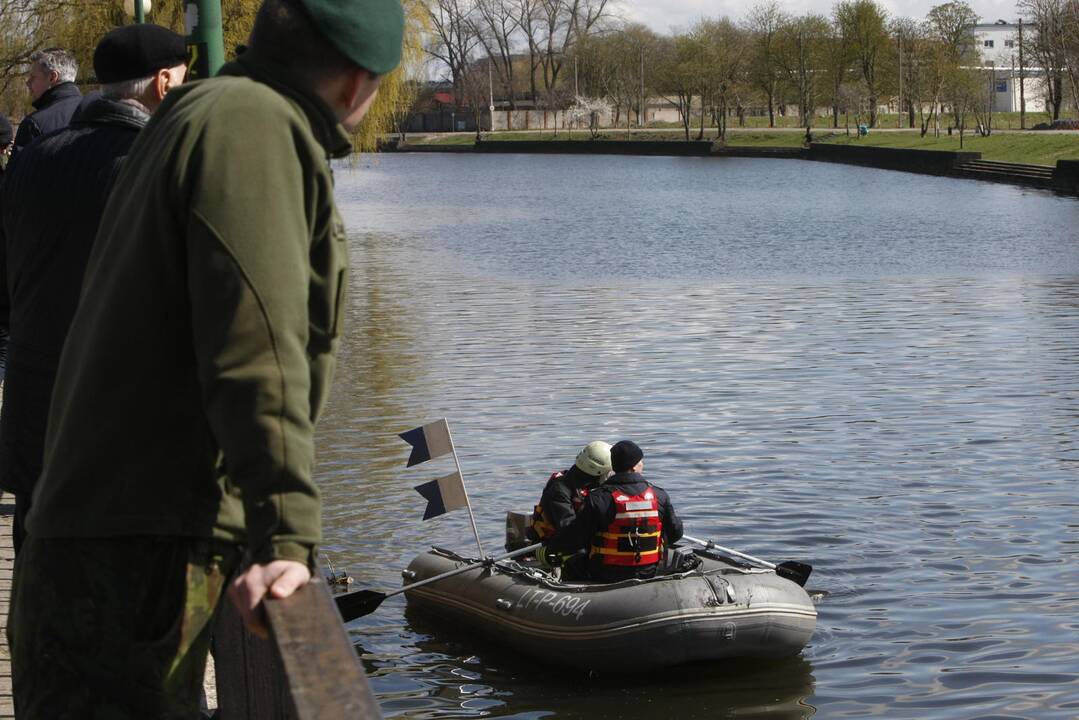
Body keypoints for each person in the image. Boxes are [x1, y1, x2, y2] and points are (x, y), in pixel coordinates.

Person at [8, 0, 404, 717]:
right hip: (136, 559)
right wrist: (284, 534)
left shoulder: (203, 113)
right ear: (356, 83)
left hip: (113, 543)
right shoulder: (253, 130)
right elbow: (255, 341)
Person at [0, 24, 188, 554]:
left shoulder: (33, 159)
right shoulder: (162, 163)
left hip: (36, 408)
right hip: (128, 428)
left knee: (38, 574)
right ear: (164, 82)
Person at [547, 440, 683, 582]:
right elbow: (675, 533)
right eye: (641, 461)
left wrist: (549, 549)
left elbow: (574, 539)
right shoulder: (660, 496)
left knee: (573, 560)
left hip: (605, 575)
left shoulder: (598, 499)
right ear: (635, 466)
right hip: (649, 572)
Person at [529, 441, 611, 573]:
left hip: (578, 541)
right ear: (599, 471)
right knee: (582, 557)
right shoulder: (560, 490)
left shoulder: (591, 486)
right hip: (553, 546)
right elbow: (568, 531)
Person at [13, 48, 81, 153]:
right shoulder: (98, 112)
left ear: (52, 77)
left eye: (33, 77)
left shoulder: (34, 124)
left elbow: (18, 169)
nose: (28, 83)